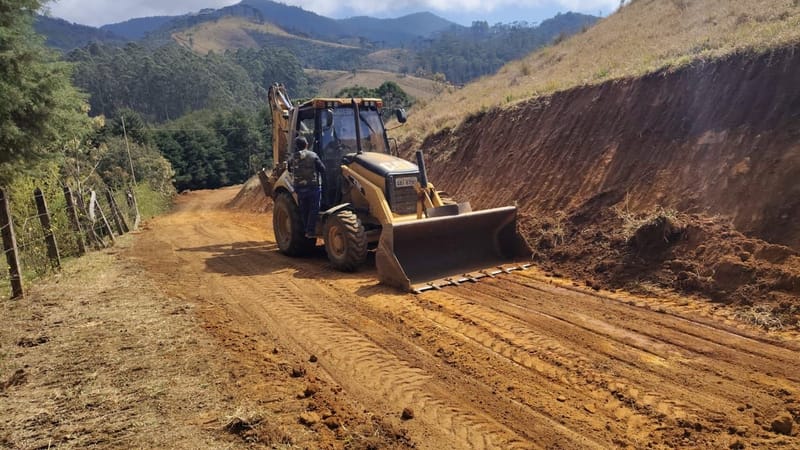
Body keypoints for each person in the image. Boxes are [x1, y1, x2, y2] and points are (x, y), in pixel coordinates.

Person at [289, 136, 326, 238]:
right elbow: (322, 169)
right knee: (314, 209)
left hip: (299, 188)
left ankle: (307, 230)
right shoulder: (313, 155)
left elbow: (289, 169)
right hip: (313, 187)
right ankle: (310, 230)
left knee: (304, 209)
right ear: (306, 144)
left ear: (297, 146)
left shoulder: (292, 158)